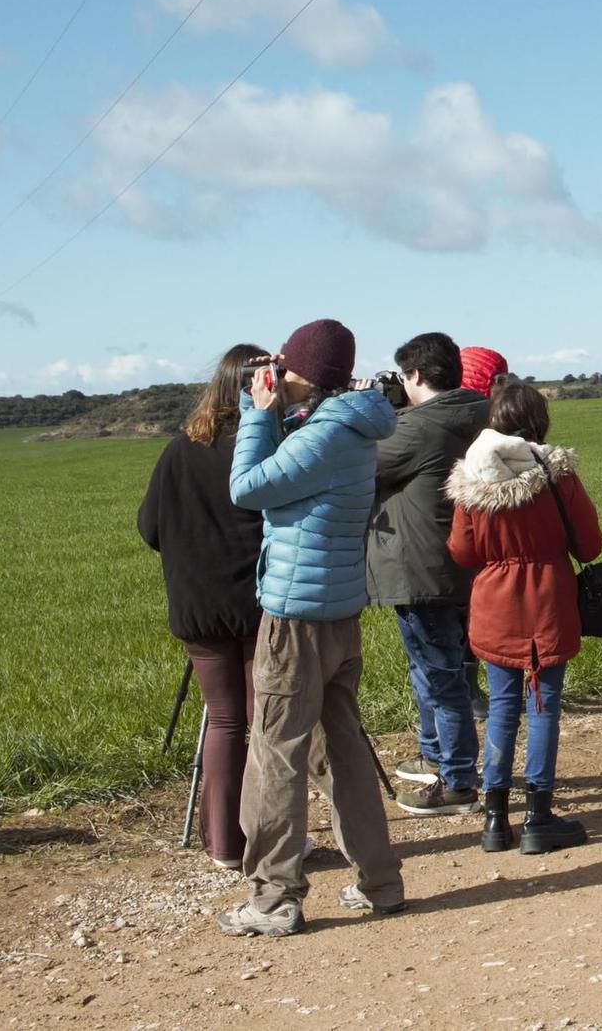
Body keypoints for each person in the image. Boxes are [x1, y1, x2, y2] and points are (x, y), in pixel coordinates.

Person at [218, 319, 403, 937]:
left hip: (294, 618)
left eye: (285, 368)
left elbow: (246, 488)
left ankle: (273, 899)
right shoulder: (350, 425)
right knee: (342, 748)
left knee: (275, 753)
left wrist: (255, 410)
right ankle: (380, 881)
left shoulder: (320, 436)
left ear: (304, 375)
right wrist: (275, 406)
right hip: (340, 611)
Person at [446, 383, 602, 854]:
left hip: (494, 602)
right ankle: (539, 815)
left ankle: (495, 818)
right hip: (550, 598)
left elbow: (461, 551)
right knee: (544, 707)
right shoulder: (558, 476)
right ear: (540, 424)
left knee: (501, 706)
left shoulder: (472, 482)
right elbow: (590, 545)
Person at [137, 343, 269, 870]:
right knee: (266, 723)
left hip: (199, 606)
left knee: (223, 721)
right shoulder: (266, 444)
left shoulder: (179, 451)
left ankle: (224, 846)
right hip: (262, 605)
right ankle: (269, 839)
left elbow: (150, 528)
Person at [367, 332, 490, 816]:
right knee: (445, 669)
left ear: (415, 375)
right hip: (463, 563)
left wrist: (368, 413)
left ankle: (457, 779)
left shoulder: (418, 428)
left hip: (420, 569)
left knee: (440, 677)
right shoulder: (476, 415)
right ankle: (439, 757)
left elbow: (365, 464)